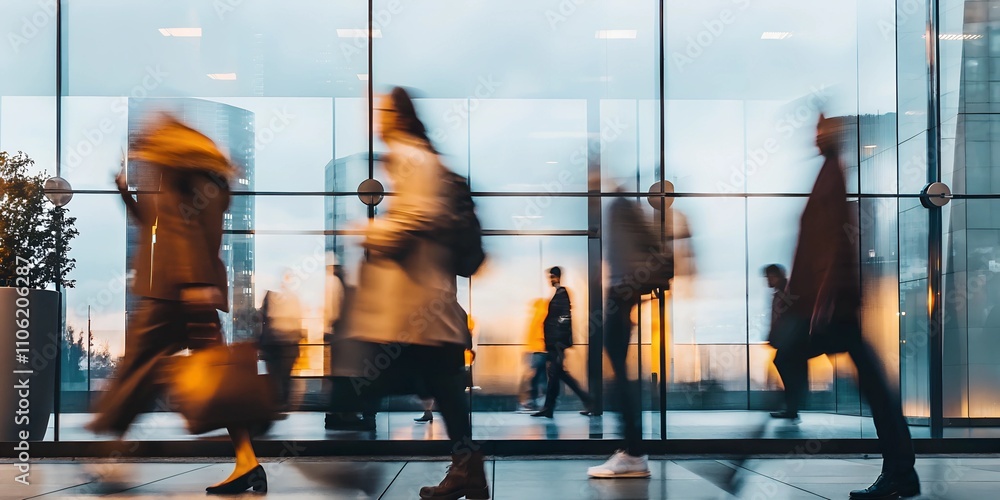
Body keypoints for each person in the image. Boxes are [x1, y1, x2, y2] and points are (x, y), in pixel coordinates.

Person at [87, 114, 265, 494]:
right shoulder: (209, 179)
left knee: (137, 370)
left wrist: (190, 284)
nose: (141, 144)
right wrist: (125, 192)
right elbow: (158, 222)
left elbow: (179, 229)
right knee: (222, 381)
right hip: (196, 288)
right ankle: (248, 461)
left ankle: (107, 457)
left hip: (172, 289)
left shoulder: (175, 172)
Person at [340, 87, 488, 500]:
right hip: (426, 304)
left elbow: (414, 221)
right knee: (442, 385)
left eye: (382, 111)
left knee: (373, 381)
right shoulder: (416, 158)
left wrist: (366, 231)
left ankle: (352, 468)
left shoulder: (411, 158)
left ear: (397, 116)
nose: (375, 119)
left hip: (415, 305)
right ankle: (468, 471)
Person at [786, 114, 918, 499]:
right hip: (832, 304)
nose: (816, 136)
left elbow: (833, 245)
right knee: (874, 386)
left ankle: (900, 473)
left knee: (873, 386)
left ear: (834, 137)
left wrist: (822, 301)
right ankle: (900, 472)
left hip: (833, 305)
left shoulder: (832, 175)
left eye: (822, 130)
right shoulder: (830, 174)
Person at [532, 267, 594, 418]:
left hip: (557, 343)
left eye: (552, 276)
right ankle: (550, 408)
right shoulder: (559, 294)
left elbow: (564, 319)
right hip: (556, 343)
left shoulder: (562, 293)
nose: (551, 280)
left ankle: (587, 400)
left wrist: (557, 341)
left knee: (556, 374)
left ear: (558, 277)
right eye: (549, 277)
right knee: (556, 374)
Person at [763, 264, 806, 422]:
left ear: (775, 276)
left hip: (789, 342)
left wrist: (777, 336)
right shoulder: (784, 292)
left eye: (769, 276)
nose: (767, 280)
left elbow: (784, 318)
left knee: (784, 366)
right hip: (790, 341)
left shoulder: (783, 293)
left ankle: (791, 407)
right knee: (787, 369)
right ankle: (791, 406)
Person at [259, 270, 305, 411]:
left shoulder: (271, 296)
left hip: (274, 341)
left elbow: (264, 318)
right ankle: (283, 402)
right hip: (289, 341)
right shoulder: (294, 297)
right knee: (285, 375)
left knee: (274, 374)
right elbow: (297, 320)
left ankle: (275, 401)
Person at [518, 299, 549, 412]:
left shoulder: (540, 316)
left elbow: (537, 335)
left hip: (538, 350)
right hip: (538, 349)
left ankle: (534, 401)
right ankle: (538, 401)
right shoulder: (540, 316)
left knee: (536, 377)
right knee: (539, 377)